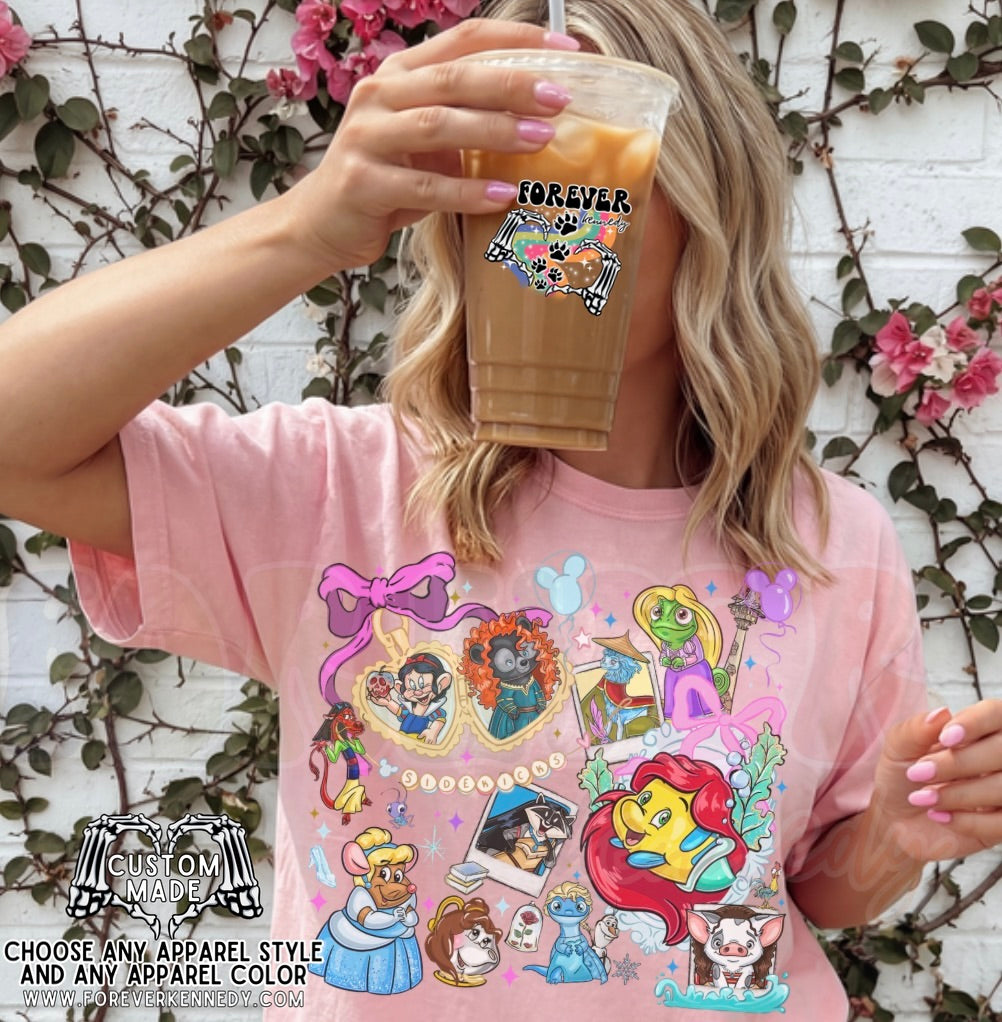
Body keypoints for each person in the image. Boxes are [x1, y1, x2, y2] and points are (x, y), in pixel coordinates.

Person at [0, 0, 1000, 1019]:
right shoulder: (342, 487)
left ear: (706, 191)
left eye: (581, 161)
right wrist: (308, 225)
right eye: (504, 165)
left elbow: (807, 888)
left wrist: (892, 834)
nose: (540, 210)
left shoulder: (832, 540)